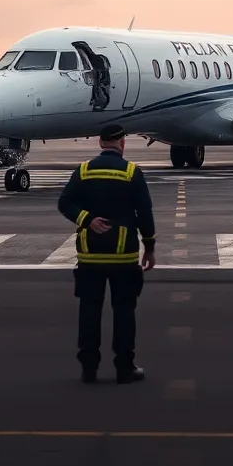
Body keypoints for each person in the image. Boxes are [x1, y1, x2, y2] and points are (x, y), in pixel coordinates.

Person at [57, 123, 156, 385]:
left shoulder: (84, 171)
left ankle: (88, 368)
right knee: (124, 312)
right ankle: (125, 368)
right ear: (122, 143)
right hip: (124, 255)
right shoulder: (132, 173)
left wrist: (86, 219)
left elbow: (64, 203)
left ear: (101, 143)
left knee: (89, 310)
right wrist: (150, 246)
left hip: (90, 255)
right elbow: (145, 215)